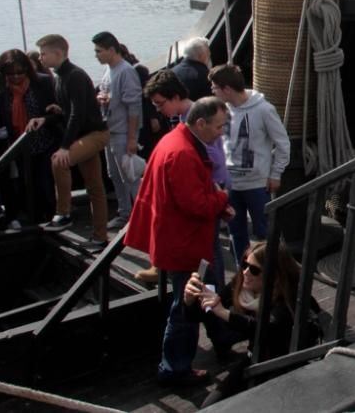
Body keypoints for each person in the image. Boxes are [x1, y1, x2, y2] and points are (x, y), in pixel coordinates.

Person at [124, 96, 235, 386]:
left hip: (182, 237)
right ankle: (173, 369)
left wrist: (218, 204)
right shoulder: (184, 154)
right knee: (184, 307)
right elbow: (196, 204)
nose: (220, 133)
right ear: (201, 123)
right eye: (218, 127)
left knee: (206, 291)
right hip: (185, 243)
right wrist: (222, 197)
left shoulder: (175, 140)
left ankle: (223, 340)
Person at [182, 241, 321, 405]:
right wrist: (189, 302)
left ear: (274, 275)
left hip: (288, 364)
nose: (246, 271)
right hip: (256, 358)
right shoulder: (242, 283)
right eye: (244, 264)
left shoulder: (289, 297)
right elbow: (202, 314)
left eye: (254, 269)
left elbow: (266, 329)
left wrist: (224, 313)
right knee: (211, 406)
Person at [140, 69, 232, 286]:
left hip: (210, 193)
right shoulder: (188, 126)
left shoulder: (195, 126)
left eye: (160, 103)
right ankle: (213, 294)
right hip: (211, 195)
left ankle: (214, 293)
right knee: (210, 252)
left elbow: (213, 160)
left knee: (210, 252)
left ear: (174, 97)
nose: (158, 109)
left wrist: (219, 197)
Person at [27, 34, 111, 250]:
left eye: (44, 54)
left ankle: (63, 213)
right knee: (95, 187)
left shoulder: (74, 75)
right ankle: (101, 237)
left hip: (95, 134)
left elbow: (78, 114)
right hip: (84, 134)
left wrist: (65, 147)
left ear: (58, 53)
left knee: (58, 161)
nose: (41, 58)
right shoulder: (60, 77)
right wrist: (46, 118)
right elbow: (69, 111)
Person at [209, 64, 291, 266]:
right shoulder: (222, 111)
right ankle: (243, 273)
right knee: (236, 233)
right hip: (230, 186)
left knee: (265, 234)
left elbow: (282, 143)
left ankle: (271, 272)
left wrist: (275, 174)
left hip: (256, 185)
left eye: (215, 88)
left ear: (226, 89)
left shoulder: (264, 110)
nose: (212, 92)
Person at [0, 49, 58, 227]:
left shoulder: (43, 83)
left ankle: (50, 216)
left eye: (20, 72)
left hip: (42, 141)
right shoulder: (2, 90)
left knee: (44, 181)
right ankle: (28, 216)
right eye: (11, 73)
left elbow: (56, 112)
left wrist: (44, 119)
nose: (16, 77)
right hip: (15, 145)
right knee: (22, 183)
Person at [91, 31, 144, 230]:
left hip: (123, 132)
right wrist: (103, 99)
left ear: (111, 50)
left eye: (99, 51)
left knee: (129, 176)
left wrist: (132, 138)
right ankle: (125, 214)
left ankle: (142, 216)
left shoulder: (126, 71)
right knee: (114, 174)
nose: (96, 55)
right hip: (111, 131)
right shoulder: (109, 70)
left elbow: (134, 106)